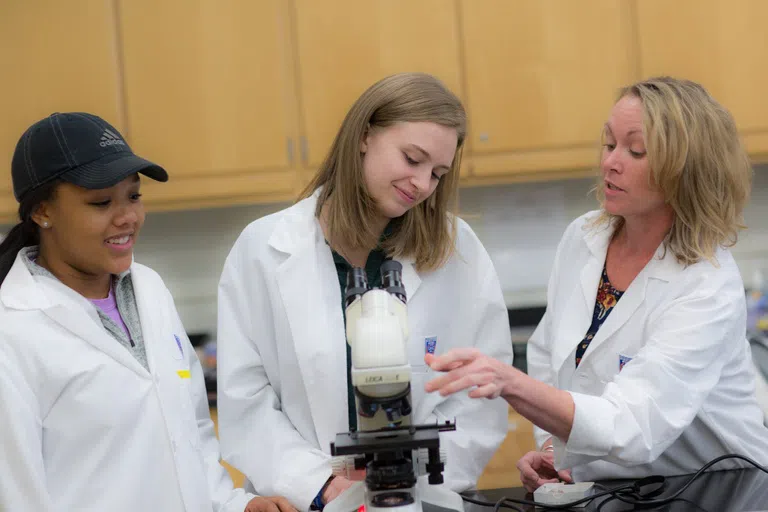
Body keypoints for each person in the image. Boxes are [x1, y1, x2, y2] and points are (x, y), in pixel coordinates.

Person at [423, 76, 768, 492]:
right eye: (609, 144)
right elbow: (551, 355)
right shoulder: (584, 237)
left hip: (721, 487)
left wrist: (510, 382)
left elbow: (634, 423)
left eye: (635, 150)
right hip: (619, 487)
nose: (611, 162)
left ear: (684, 170)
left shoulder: (706, 284)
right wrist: (555, 448)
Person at [216, 72, 513, 510]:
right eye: (412, 158)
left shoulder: (458, 249)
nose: (423, 184)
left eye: (438, 172)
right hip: (309, 500)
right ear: (364, 135)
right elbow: (247, 403)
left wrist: (411, 487)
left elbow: (482, 392)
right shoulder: (263, 250)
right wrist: (324, 486)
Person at [0, 112, 294, 512]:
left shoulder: (150, 289)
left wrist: (232, 504)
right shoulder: (13, 330)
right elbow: (17, 494)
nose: (129, 217)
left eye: (134, 196)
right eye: (101, 202)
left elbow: (191, 432)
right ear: (41, 212)